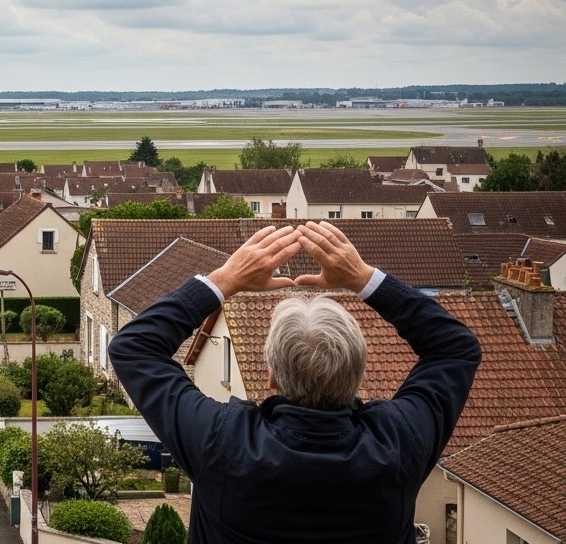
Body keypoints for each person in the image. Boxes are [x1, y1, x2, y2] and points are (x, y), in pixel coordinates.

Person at [108, 221, 481, 544]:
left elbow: (133, 346)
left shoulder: (221, 442)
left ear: (270, 376)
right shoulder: (398, 444)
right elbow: (455, 348)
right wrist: (364, 280)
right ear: (358, 376)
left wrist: (225, 279)